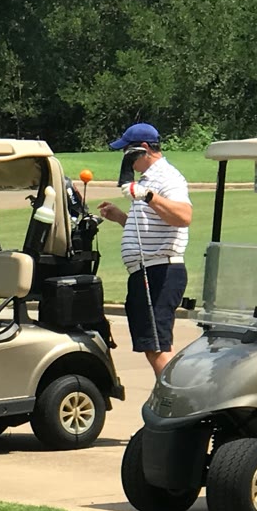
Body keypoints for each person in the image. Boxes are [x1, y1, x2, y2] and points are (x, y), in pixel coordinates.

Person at [95, 123, 193, 376]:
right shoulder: (148, 180)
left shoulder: (166, 177)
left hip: (160, 271)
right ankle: (172, 398)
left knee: (157, 346)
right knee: (152, 345)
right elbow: (151, 226)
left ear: (145, 149)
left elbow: (183, 216)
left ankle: (176, 400)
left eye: (128, 152)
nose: (125, 160)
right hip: (146, 271)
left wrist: (147, 195)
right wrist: (121, 218)